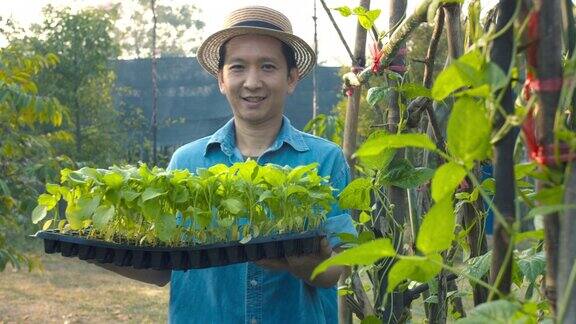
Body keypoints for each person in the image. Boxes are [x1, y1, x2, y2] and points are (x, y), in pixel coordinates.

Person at [94, 6, 356, 323]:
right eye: (238, 67)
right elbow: (164, 268)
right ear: (221, 79)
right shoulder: (186, 162)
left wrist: (301, 264)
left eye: (268, 66)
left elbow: (340, 267)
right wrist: (96, 251)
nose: (252, 82)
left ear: (291, 78)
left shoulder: (324, 160)